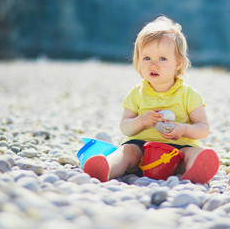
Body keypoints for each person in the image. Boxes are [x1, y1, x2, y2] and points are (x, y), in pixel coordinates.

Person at [83, 16, 219, 184]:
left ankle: (195, 172)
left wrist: (183, 130)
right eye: (146, 58)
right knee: (126, 151)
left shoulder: (188, 94)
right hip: (142, 152)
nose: (153, 65)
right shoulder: (136, 93)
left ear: (178, 63)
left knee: (195, 153)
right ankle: (106, 168)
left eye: (162, 59)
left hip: (177, 153)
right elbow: (126, 127)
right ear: (138, 60)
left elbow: (203, 128)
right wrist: (142, 120)